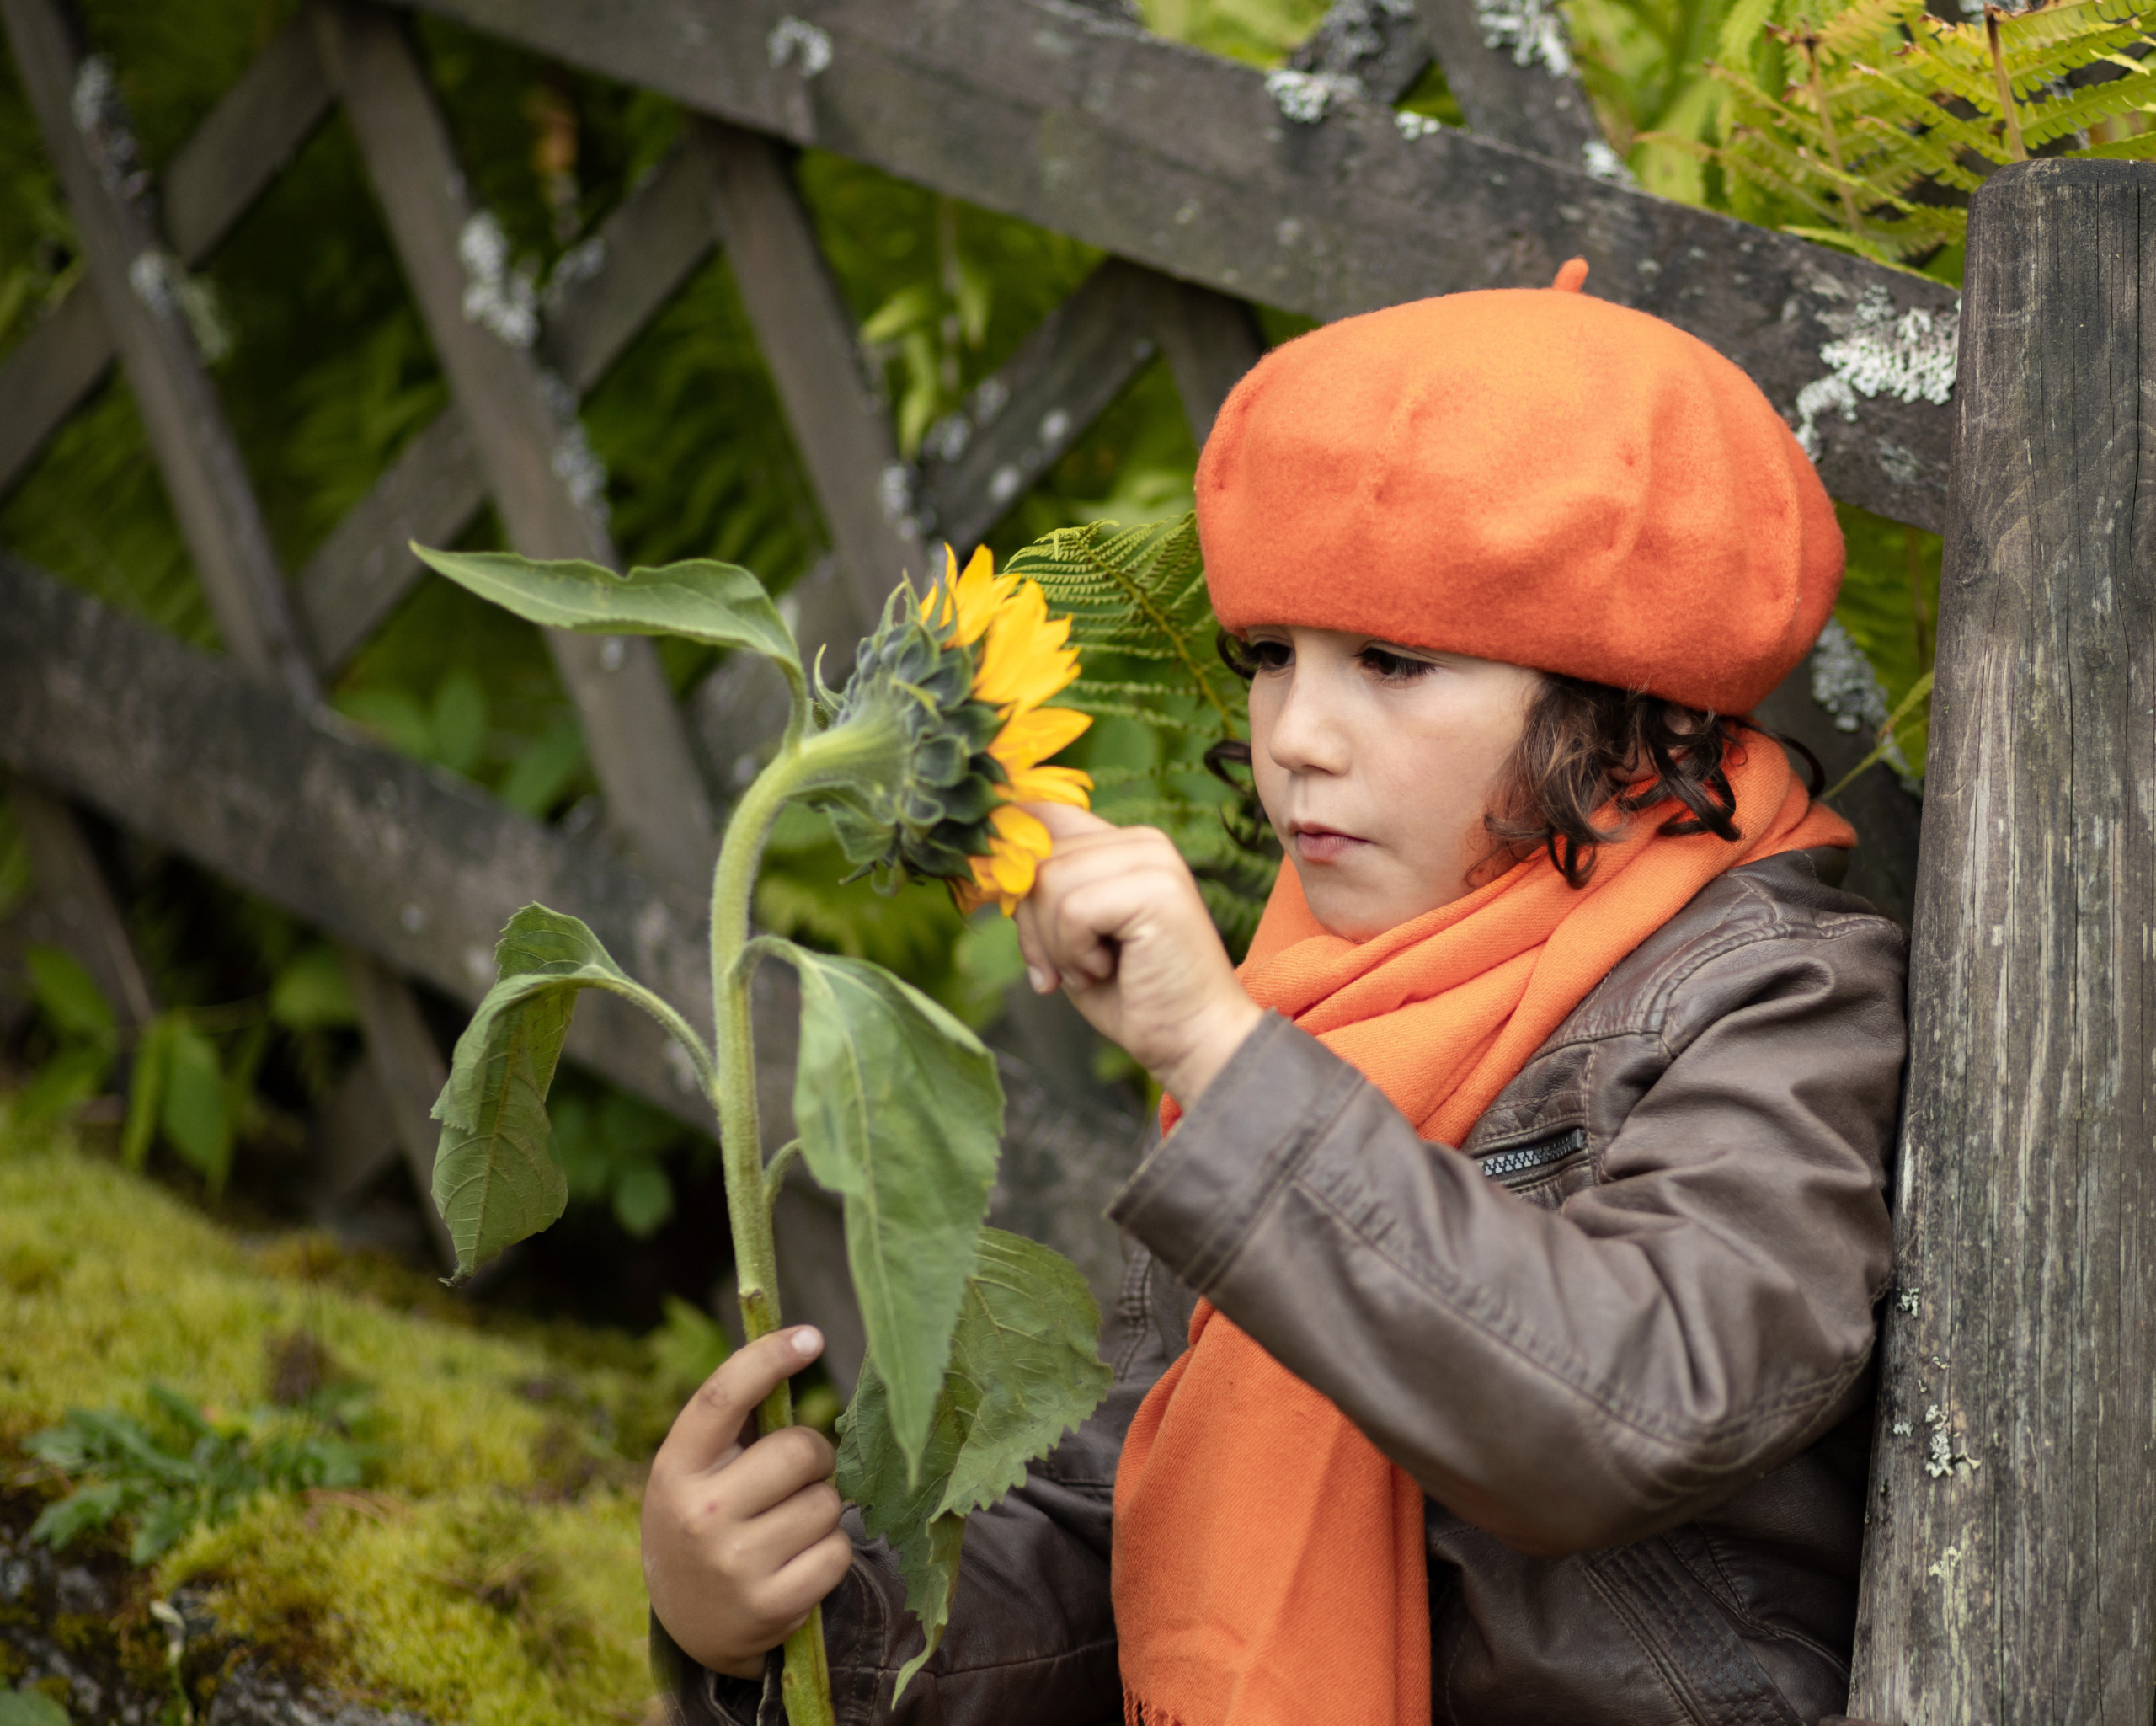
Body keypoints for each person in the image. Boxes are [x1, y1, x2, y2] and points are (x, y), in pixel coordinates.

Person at [643, 259, 1908, 1726]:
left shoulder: (1776, 992)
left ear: (1635, 695)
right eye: (1270, 655)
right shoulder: (1314, 989)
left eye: (1392, 659)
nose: (1296, 733)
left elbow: (1645, 1404)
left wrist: (1225, 1062)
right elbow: (1118, 1536)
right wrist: (784, 1632)